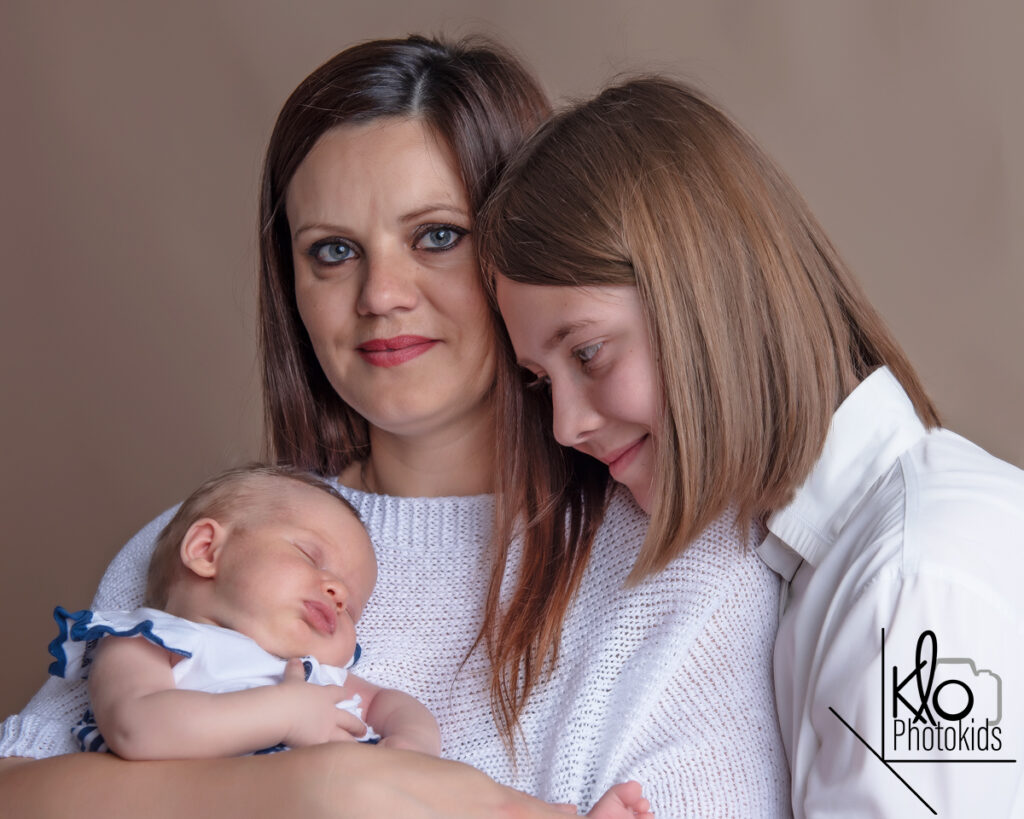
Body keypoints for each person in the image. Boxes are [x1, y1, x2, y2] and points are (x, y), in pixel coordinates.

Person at [0, 38, 784, 818]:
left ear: (527, 248)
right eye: (333, 251)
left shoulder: (687, 561)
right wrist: (318, 789)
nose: (381, 293)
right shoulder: (215, 538)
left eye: (436, 236)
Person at [481, 75, 1024, 818]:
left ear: (705, 297)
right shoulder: (841, 565)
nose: (564, 425)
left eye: (589, 353)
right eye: (543, 381)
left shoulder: (912, 584)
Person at [48, 464, 441, 759]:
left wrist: (413, 741)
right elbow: (135, 727)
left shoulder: (312, 675)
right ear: (206, 551)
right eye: (310, 556)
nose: (338, 594)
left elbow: (386, 704)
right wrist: (284, 713)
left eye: (351, 608)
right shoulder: (147, 640)